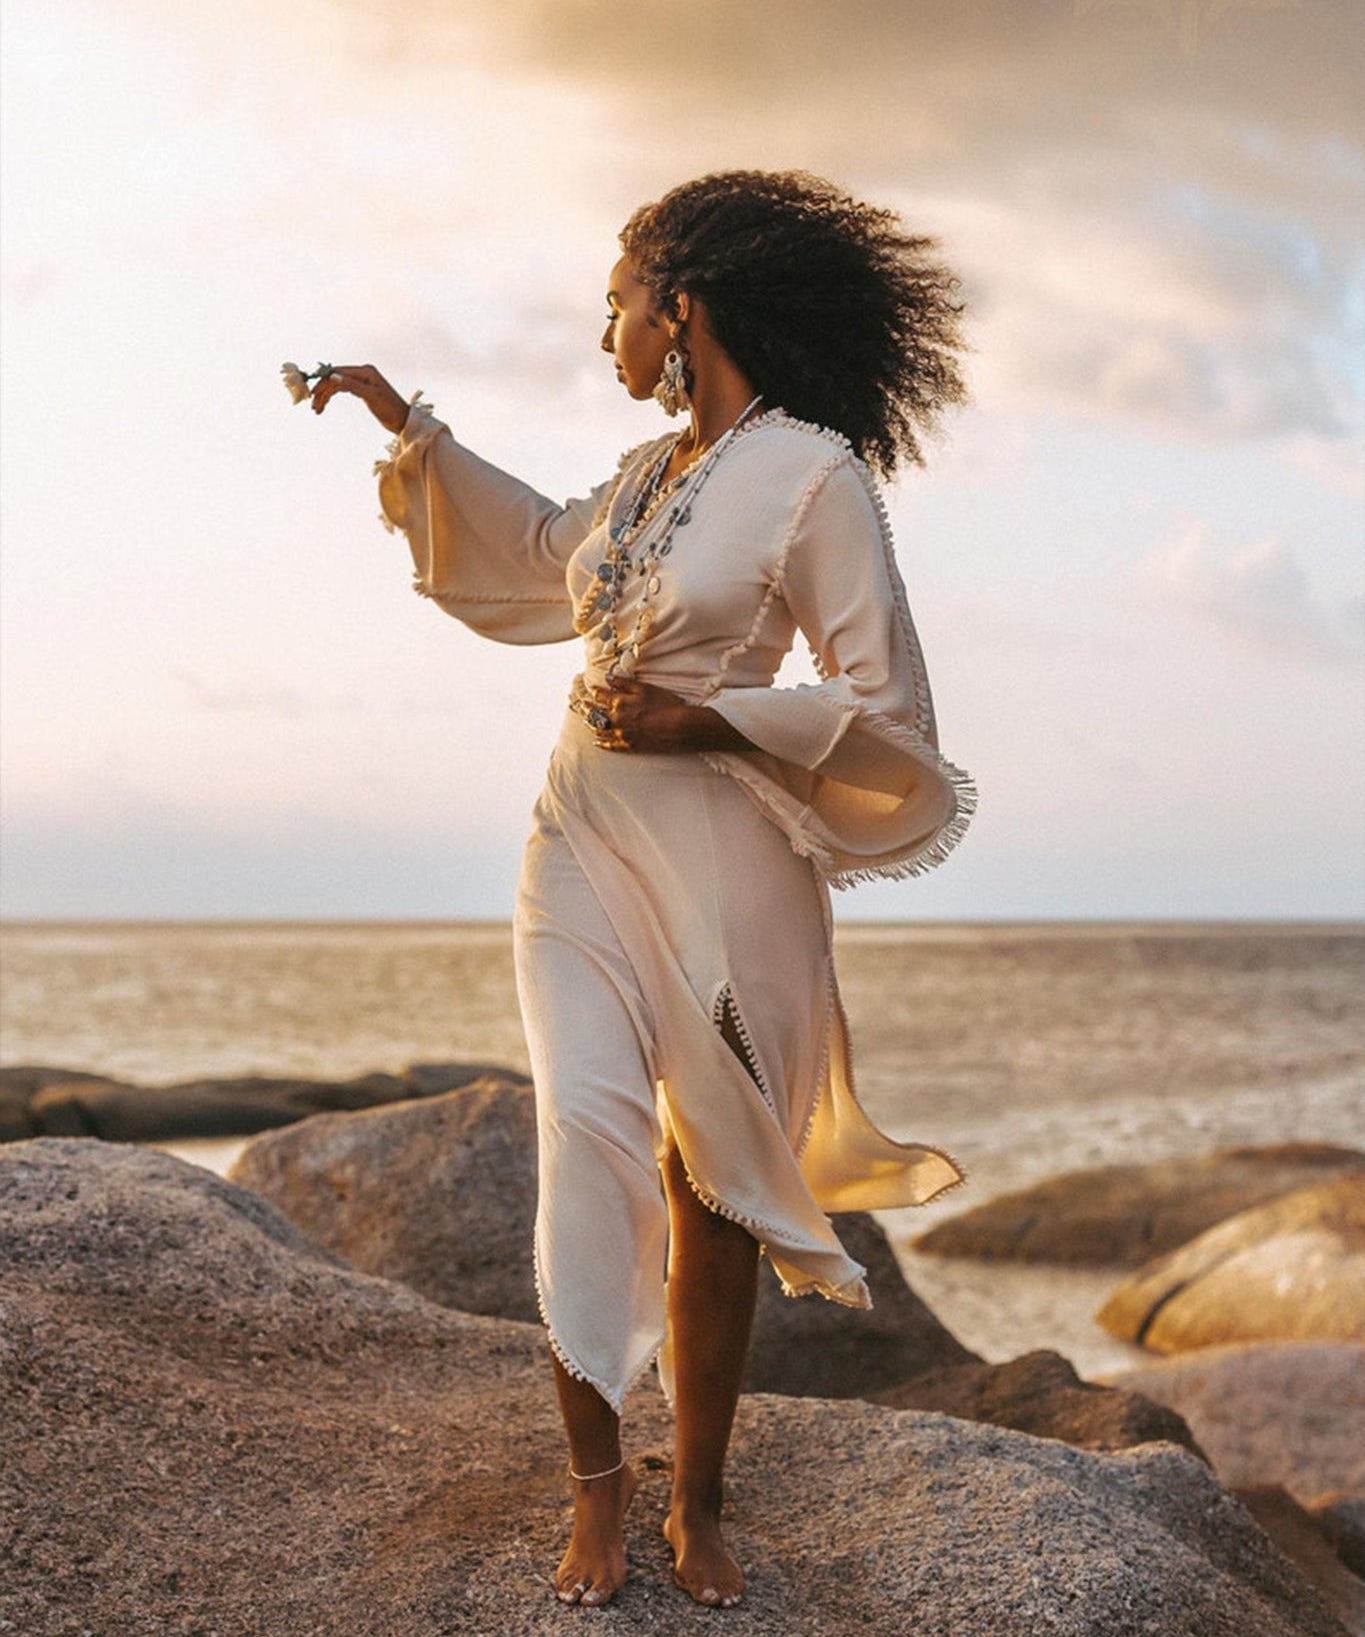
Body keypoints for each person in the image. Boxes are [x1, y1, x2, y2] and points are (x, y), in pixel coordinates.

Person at [309, 169, 974, 1611]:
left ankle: (705, 1496)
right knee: (587, 1133)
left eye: (614, 300)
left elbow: (887, 704)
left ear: (684, 309)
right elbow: (540, 553)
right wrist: (403, 427)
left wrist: (710, 719)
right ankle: (597, 1489)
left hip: (721, 860)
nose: (600, 329)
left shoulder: (813, 476)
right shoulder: (641, 481)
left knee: (710, 1181)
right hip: (576, 838)